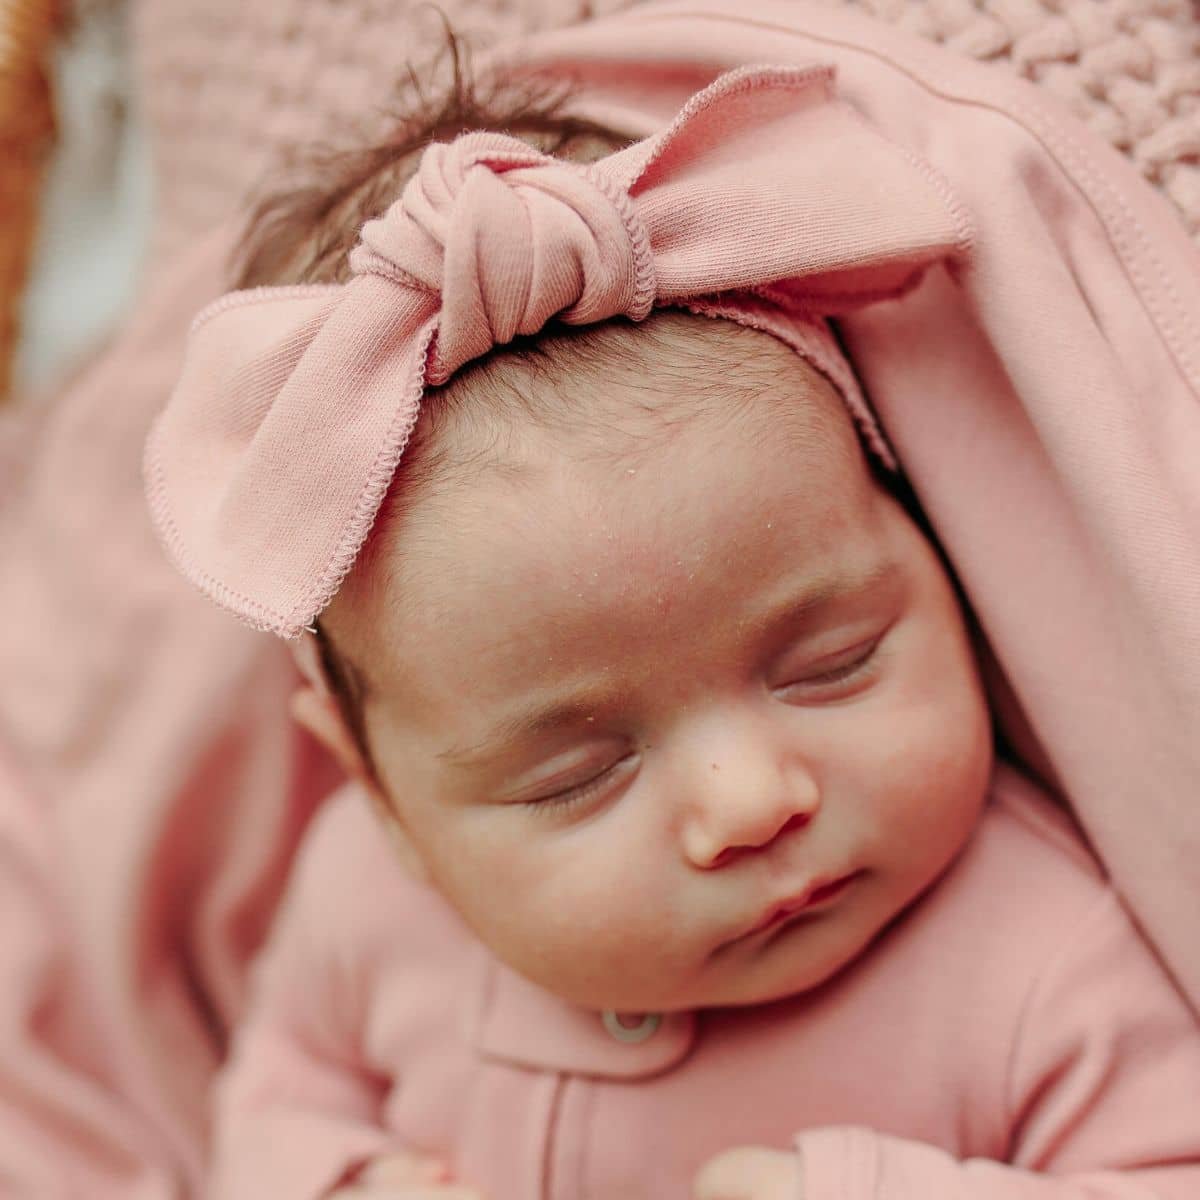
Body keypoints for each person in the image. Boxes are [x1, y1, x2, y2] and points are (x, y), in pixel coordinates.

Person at [144, 64, 1200, 1200]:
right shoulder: (362, 898)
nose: (751, 802)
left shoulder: (1043, 960)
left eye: (831, 665)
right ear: (379, 789)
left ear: (935, 553)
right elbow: (280, 1088)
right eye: (577, 774)